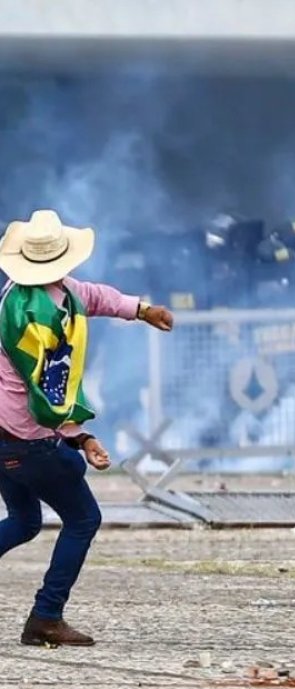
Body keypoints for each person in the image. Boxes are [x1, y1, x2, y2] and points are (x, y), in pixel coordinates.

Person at [0, 210, 174, 646]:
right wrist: (82, 437)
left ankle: (46, 615)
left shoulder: (34, 294)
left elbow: (94, 296)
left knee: (23, 521)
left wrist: (141, 309)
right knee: (83, 518)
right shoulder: (32, 320)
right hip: (27, 438)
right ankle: (46, 616)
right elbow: (47, 392)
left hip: (6, 436)